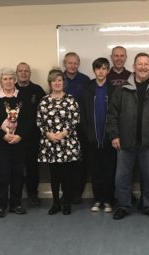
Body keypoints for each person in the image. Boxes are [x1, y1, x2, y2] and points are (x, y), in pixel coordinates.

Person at [107, 53, 149, 221]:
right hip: (125, 142)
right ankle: (123, 205)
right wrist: (114, 135)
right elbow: (112, 115)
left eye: (146, 64)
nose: (143, 67)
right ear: (133, 67)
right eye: (139, 64)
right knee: (122, 177)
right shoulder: (121, 89)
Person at [0, 67, 31, 218]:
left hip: (19, 142)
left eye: (11, 78)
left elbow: (30, 120)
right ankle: (1, 205)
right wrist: (3, 136)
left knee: (18, 173)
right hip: (1, 143)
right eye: (5, 79)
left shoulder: (23, 96)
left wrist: (20, 136)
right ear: (0, 81)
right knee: (3, 173)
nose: (8, 81)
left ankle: (16, 204)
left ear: (15, 80)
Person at [37, 69, 81, 215]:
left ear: (63, 82)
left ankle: (66, 202)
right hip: (50, 143)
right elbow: (39, 121)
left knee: (67, 175)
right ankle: (55, 203)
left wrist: (63, 133)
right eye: (54, 80)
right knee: (54, 175)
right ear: (50, 83)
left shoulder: (70, 99)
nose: (57, 83)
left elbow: (75, 119)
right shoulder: (44, 101)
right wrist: (49, 134)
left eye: (59, 80)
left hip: (67, 142)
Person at [78, 57, 116, 213]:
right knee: (95, 170)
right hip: (92, 138)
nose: (101, 71)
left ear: (108, 70)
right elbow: (82, 115)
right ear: (94, 70)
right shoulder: (87, 89)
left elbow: (118, 113)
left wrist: (114, 134)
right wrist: (87, 134)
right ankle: (97, 199)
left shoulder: (114, 89)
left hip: (109, 138)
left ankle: (108, 200)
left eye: (104, 68)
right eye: (98, 68)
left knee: (109, 170)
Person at [15, 62, 46, 206]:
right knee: (17, 167)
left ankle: (33, 193)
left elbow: (44, 112)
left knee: (32, 166)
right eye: (20, 71)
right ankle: (16, 194)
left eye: (26, 71)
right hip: (15, 136)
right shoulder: (11, 89)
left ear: (30, 73)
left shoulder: (37, 90)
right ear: (16, 73)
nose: (23, 73)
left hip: (34, 135)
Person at [62, 52, 90, 204]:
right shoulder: (58, 79)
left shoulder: (85, 80)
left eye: (75, 63)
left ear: (78, 64)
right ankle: (66, 192)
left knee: (80, 161)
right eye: (69, 63)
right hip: (62, 128)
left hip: (80, 126)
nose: (72, 66)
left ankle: (77, 192)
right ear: (64, 63)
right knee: (65, 161)